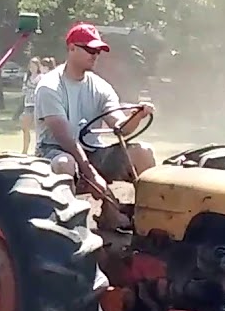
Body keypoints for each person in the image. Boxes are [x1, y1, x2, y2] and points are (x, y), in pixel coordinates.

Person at [35, 23, 156, 229]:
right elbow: (66, 139)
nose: (95, 55)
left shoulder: (100, 86)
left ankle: (148, 219)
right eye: (90, 50)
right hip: (55, 151)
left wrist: (137, 117)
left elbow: (121, 128)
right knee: (65, 163)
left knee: (143, 152)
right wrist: (92, 175)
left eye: (98, 51)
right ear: (72, 48)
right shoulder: (50, 86)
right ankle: (68, 228)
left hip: (92, 150)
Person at [16, 57, 43, 153]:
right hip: (28, 104)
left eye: (34, 66)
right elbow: (23, 89)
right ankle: (25, 150)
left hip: (37, 105)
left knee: (38, 129)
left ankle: (38, 149)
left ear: (38, 66)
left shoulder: (41, 77)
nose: (32, 68)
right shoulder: (27, 76)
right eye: (31, 66)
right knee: (25, 128)